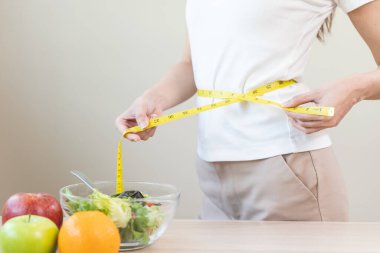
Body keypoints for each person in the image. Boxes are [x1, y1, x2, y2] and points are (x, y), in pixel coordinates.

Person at [115, 0, 380, 221]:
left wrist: (354, 89)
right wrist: (152, 99)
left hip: (285, 168)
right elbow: (190, 65)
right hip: (212, 171)